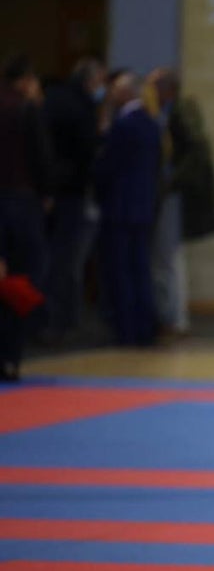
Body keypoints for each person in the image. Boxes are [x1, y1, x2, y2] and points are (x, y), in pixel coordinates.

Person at [146, 67, 214, 340]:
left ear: (166, 90)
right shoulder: (174, 112)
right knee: (168, 257)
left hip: (175, 192)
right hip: (174, 190)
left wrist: (171, 182)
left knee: (167, 257)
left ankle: (173, 319)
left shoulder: (179, 113)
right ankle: (173, 317)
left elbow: (194, 153)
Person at [93, 70, 162, 346]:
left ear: (125, 92)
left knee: (121, 270)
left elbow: (108, 166)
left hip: (120, 207)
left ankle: (126, 329)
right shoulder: (151, 124)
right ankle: (145, 327)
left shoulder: (123, 125)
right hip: (143, 206)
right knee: (141, 268)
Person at [41, 56, 105, 342]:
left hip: (49, 191)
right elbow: (87, 153)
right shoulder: (82, 109)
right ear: (90, 81)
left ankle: (47, 320)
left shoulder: (53, 100)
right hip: (72, 192)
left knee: (52, 258)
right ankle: (61, 322)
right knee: (67, 261)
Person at [0, 53, 52, 381]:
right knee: (19, 283)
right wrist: (47, 195)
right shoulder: (26, 110)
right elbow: (41, 159)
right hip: (20, 204)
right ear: (27, 81)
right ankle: (10, 356)